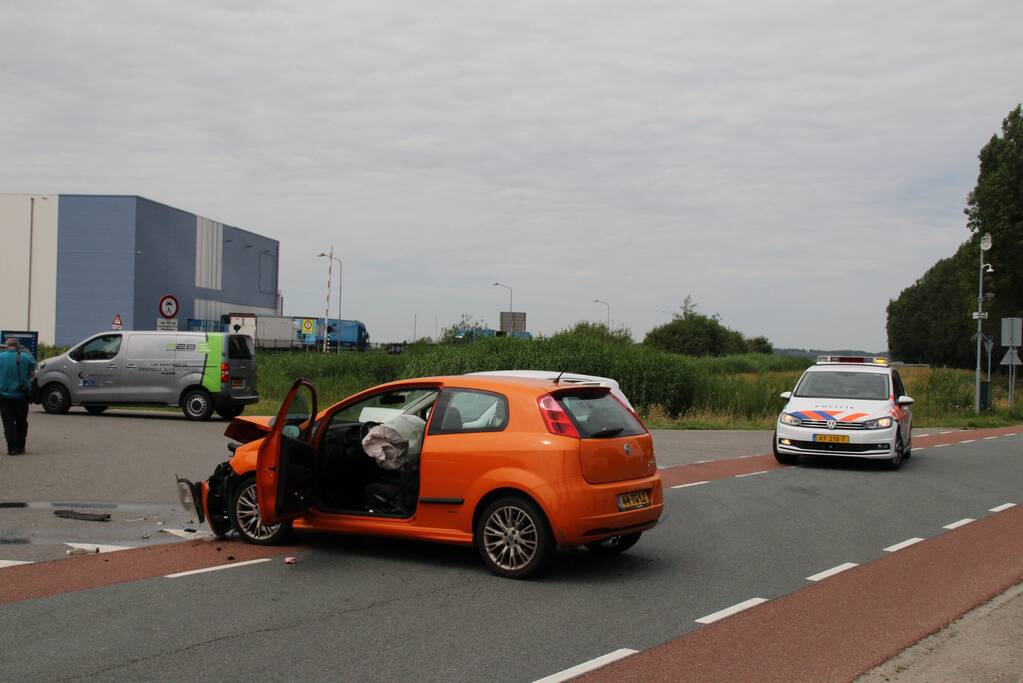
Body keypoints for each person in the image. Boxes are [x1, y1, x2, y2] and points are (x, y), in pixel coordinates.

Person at [0, 338, 36, 455]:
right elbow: (33, 376)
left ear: (6, 346)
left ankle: (11, 448)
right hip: (22, 395)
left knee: (8, 422)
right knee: (21, 421)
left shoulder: (1, 357)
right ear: (18, 346)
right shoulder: (26, 357)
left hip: (4, 396)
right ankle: (21, 446)